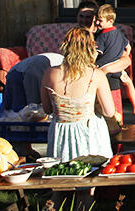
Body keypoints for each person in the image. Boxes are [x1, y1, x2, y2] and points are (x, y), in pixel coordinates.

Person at [40, 27, 114, 162]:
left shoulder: (49, 74)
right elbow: (109, 112)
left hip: (61, 134)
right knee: (91, 172)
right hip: (88, 133)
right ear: (89, 49)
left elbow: (47, 109)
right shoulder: (95, 75)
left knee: (61, 173)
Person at [94, 4, 135, 121]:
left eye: (100, 21)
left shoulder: (102, 36)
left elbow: (96, 53)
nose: (97, 23)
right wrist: (123, 55)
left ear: (110, 20)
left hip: (103, 68)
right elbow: (128, 47)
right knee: (128, 83)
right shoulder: (119, 33)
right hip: (117, 67)